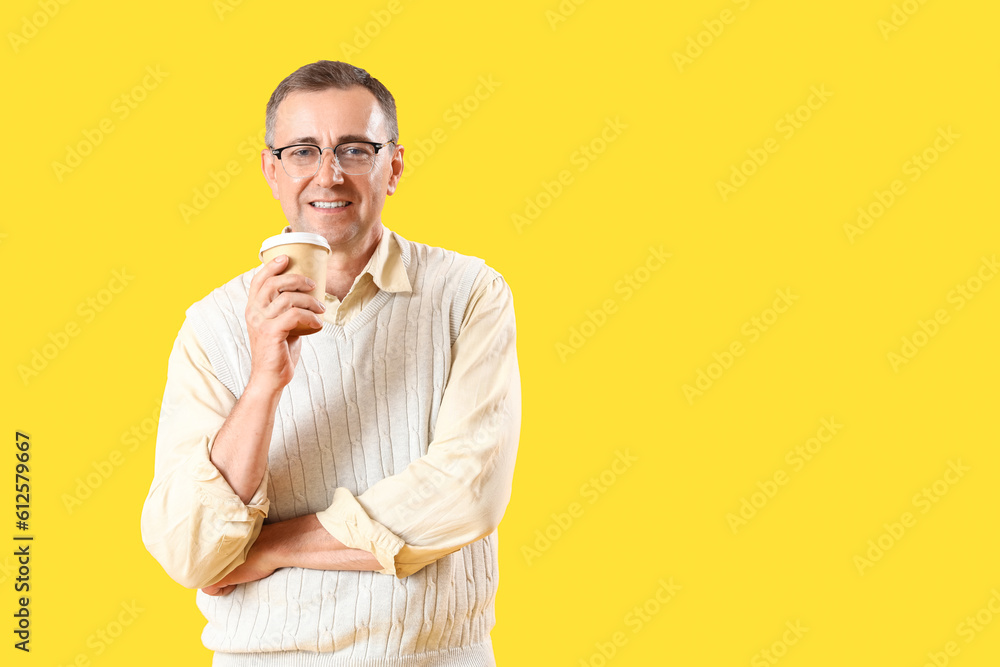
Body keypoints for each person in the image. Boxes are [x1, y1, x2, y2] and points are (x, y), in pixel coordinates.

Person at [140, 60, 521, 666]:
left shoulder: (467, 293)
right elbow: (192, 554)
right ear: (271, 169)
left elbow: (467, 492)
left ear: (392, 166)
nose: (329, 174)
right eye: (302, 151)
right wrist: (265, 380)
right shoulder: (212, 325)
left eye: (354, 149)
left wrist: (270, 548)